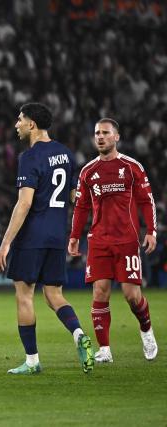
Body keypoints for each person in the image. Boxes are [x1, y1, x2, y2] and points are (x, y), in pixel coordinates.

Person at [0, 102, 94, 374]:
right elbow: (75, 198)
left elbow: (24, 204)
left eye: (20, 119)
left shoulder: (30, 157)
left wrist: (5, 243)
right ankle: (78, 334)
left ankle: (32, 361)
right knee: (54, 294)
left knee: (24, 295)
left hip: (33, 235)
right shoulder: (66, 154)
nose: (16, 124)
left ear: (32, 125)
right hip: (57, 235)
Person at [69, 118, 158, 362]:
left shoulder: (131, 167)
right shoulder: (88, 171)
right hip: (98, 240)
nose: (100, 137)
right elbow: (81, 206)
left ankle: (146, 330)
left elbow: (146, 200)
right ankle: (105, 350)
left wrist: (151, 230)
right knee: (100, 292)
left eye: (105, 133)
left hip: (127, 240)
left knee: (132, 296)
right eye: (97, 132)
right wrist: (75, 236)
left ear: (116, 137)